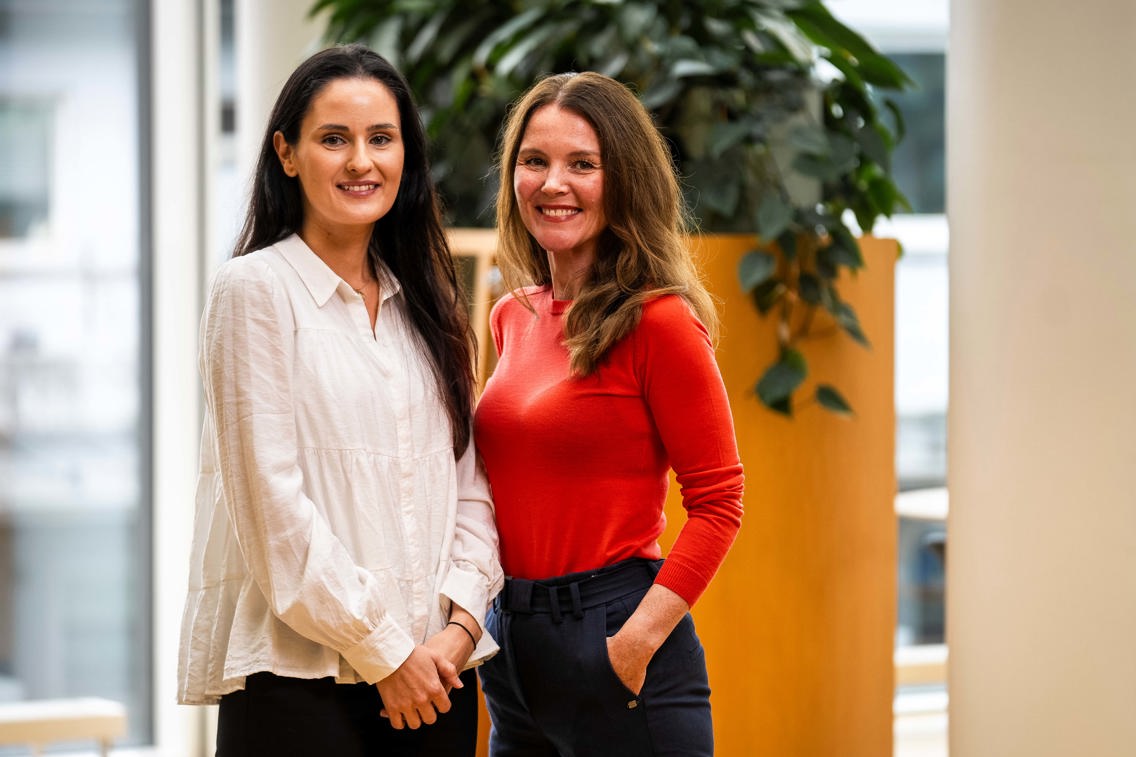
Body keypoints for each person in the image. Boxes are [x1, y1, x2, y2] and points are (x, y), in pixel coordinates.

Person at [176, 44, 503, 756]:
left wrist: (457, 630)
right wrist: (386, 650)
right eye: (335, 139)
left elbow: (469, 486)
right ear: (286, 154)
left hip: (439, 678)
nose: (362, 161)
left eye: (381, 139)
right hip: (304, 687)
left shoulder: (428, 300)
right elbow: (273, 508)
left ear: (406, 158)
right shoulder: (254, 290)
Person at [473, 71, 745, 756]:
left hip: (617, 638)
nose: (552, 183)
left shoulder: (659, 322)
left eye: (582, 164)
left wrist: (633, 642)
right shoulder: (512, 315)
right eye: (534, 161)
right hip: (512, 642)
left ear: (623, 180)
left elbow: (719, 502)